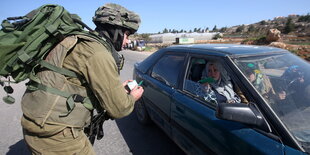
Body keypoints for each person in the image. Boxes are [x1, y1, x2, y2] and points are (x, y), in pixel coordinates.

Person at [21, 3, 144, 155]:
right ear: (115, 30)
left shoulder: (80, 40)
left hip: (38, 120)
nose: (127, 41)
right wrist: (132, 97)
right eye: (127, 34)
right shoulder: (98, 53)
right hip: (56, 133)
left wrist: (118, 90)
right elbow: (119, 109)